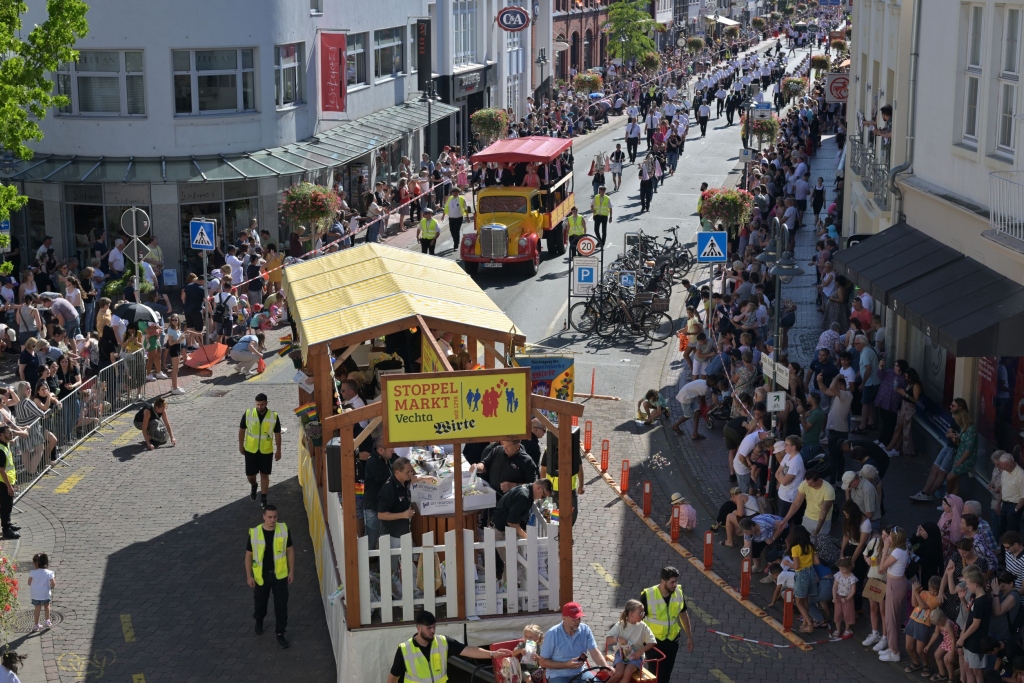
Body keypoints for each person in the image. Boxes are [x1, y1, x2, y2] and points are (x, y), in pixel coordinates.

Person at [386, 610, 510, 683]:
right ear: (418, 628)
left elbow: (469, 650)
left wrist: (492, 654)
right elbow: (392, 679)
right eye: (429, 628)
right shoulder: (404, 649)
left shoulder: (443, 642)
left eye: (434, 627)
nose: (433, 630)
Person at [245, 505, 293, 649]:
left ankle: (280, 633)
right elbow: (248, 555)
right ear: (264, 517)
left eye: (275, 517)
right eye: (270, 517)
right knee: (260, 602)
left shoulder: (283, 530)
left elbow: (290, 550)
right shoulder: (255, 533)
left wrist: (291, 571)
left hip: (280, 575)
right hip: (262, 576)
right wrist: (249, 576)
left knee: (281, 606)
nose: (273, 520)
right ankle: (259, 619)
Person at [640, 566, 694, 683]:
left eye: (676, 582)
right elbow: (637, 620)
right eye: (672, 582)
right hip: (653, 641)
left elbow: (683, 614)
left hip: (672, 641)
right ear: (663, 581)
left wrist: (689, 636)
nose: (675, 585)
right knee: (654, 674)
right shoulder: (648, 595)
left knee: (666, 674)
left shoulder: (678, 592)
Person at [538, 602, 610, 681]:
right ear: (564, 617)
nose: (577, 621)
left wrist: (606, 667)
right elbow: (543, 662)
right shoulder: (552, 634)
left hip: (581, 672)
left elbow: (595, 653)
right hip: (558, 675)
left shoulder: (585, 629)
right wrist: (566, 665)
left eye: (579, 618)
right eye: (574, 618)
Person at [238, 393, 282, 509]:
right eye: (257, 404)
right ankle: (254, 485)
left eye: (262, 404)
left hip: (266, 451)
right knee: (250, 475)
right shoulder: (248, 414)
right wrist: (240, 445)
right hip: (250, 450)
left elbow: (277, 434)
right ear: (255, 403)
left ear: (266, 403)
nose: (260, 407)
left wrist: (279, 450)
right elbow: (242, 430)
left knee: (264, 474)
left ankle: (263, 497)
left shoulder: (273, 416)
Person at [604, 600, 656, 683]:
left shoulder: (643, 626)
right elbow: (607, 639)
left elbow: (652, 642)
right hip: (621, 653)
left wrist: (641, 651)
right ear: (631, 614)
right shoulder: (620, 625)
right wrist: (618, 638)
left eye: (643, 612)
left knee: (628, 672)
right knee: (618, 673)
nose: (643, 615)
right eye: (640, 613)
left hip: (636, 655)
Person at [28, 552, 55, 631]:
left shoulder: (32, 573)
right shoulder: (49, 573)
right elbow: (53, 583)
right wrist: (50, 587)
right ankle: (47, 621)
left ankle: (36, 625)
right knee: (46, 606)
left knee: (37, 608)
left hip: (35, 594)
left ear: (36, 563)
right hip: (45, 594)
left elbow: (29, 583)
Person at [0, 427, 17, 540]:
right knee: (6, 507)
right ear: (1, 435)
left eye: (11, 432)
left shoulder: (6, 445)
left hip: (8, 481)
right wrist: (9, 486)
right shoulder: (1, 450)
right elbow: (2, 470)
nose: (11, 434)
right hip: (3, 483)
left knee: (9, 506)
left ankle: (8, 523)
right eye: (8, 432)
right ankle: (6, 530)